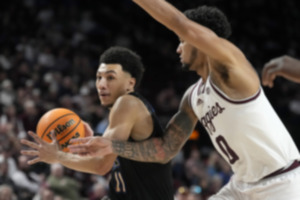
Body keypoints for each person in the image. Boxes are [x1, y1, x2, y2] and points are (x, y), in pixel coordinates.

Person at [69, 2, 300, 200]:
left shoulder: (232, 71)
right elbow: (165, 150)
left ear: (199, 39)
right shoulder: (193, 97)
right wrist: (113, 146)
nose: (178, 48)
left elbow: (181, 24)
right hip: (241, 186)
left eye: (182, 41)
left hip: (281, 183)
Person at [20, 46, 174, 200]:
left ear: (130, 83)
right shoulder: (124, 112)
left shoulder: (127, 103)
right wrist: (93, 137)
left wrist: (58, 156)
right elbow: (110, 154)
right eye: (99, 77)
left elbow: (101, 166)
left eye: (110, 77)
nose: (101, 84)